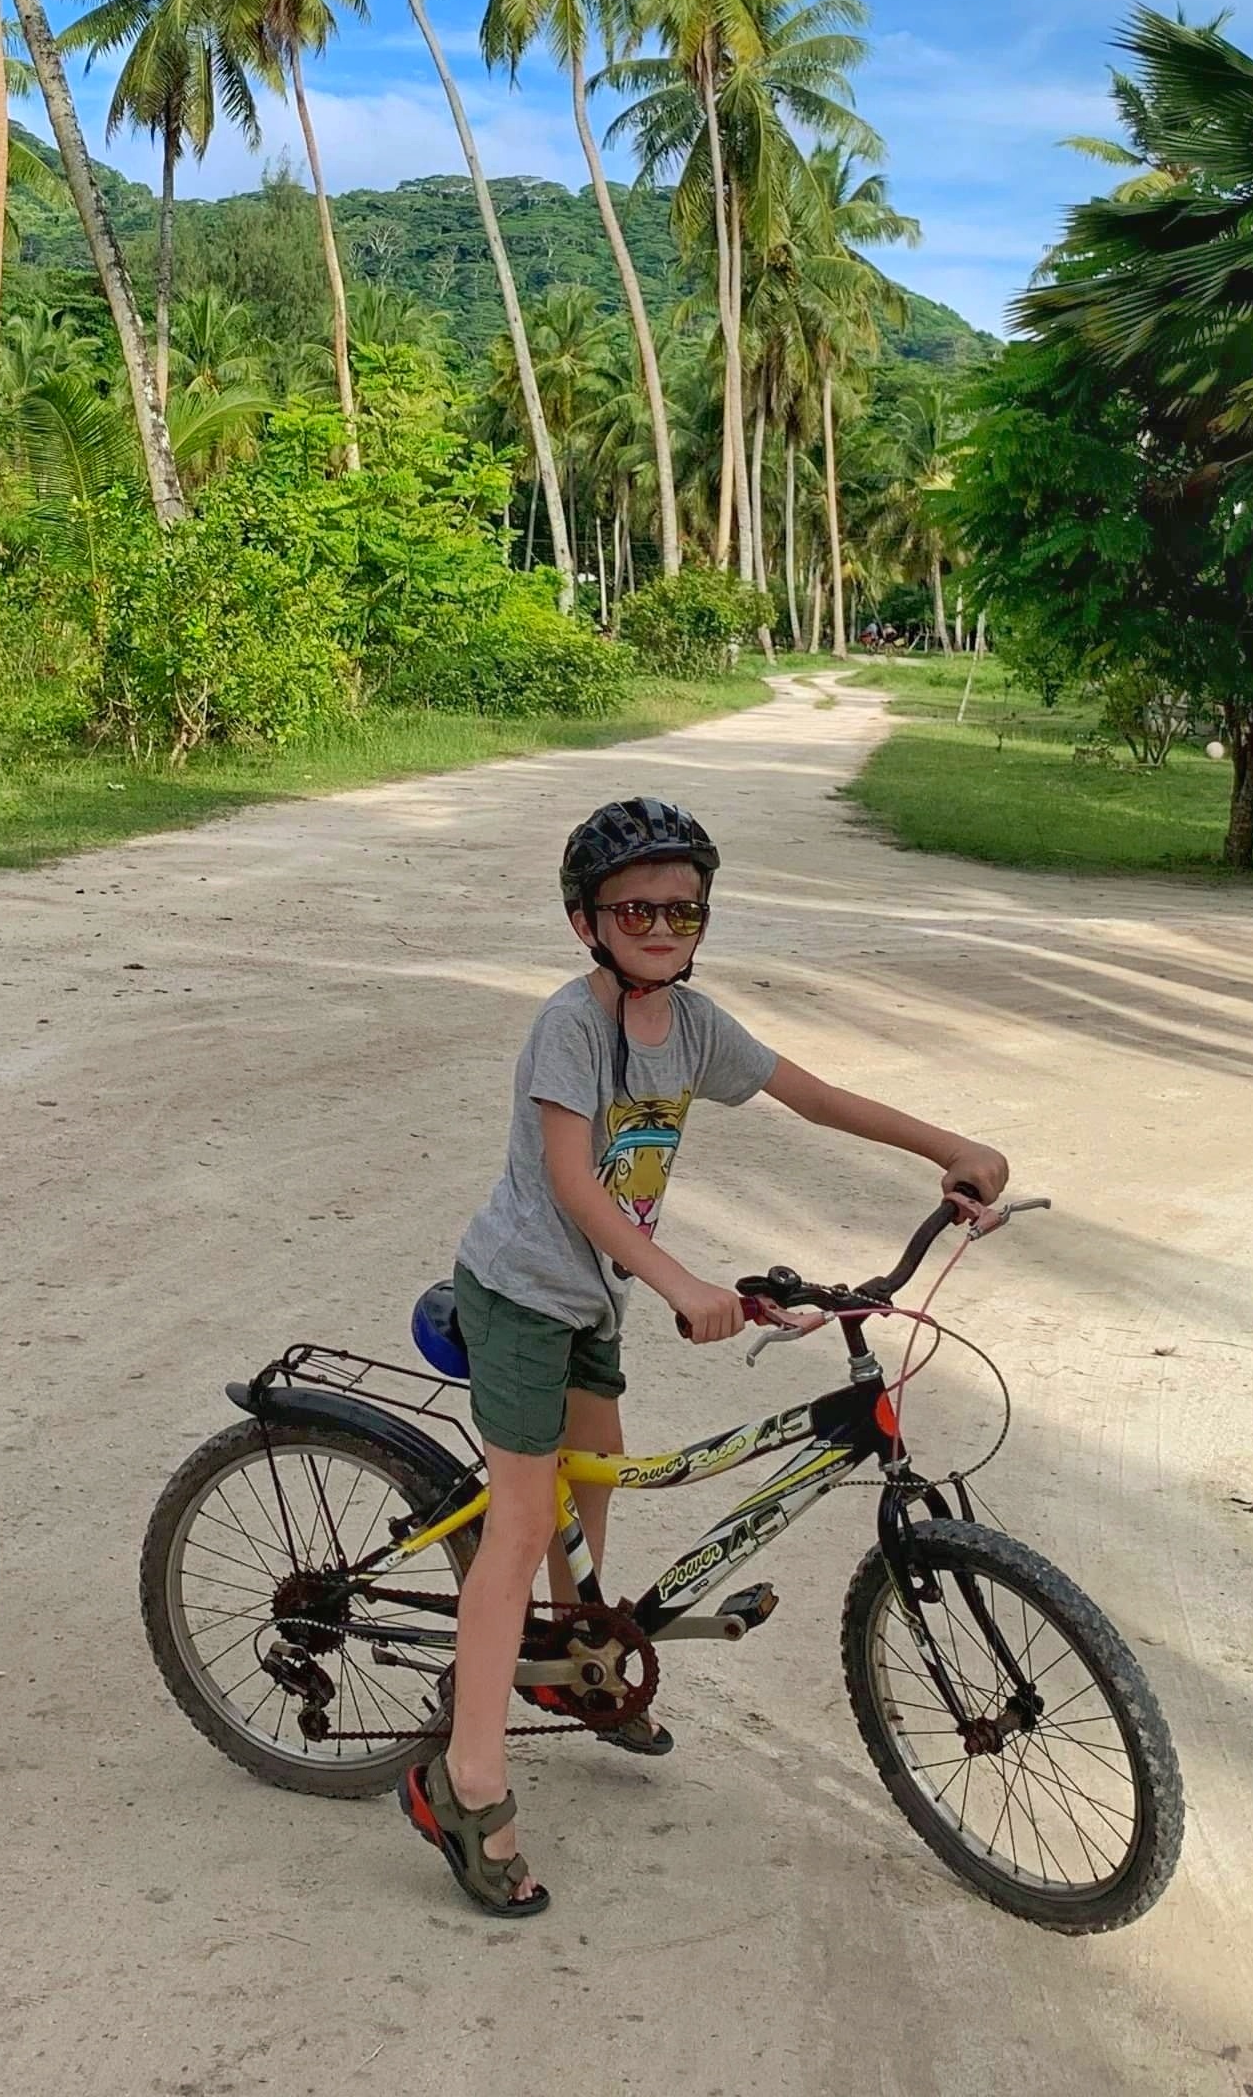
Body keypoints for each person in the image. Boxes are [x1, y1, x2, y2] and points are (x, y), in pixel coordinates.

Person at [403, 794, 1010, 1920]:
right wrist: (681, 1280)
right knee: (526, 1521)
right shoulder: (571, 1027)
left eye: (683, 908)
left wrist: (949, 1146)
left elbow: (810, 1094)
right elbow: (577, 1180)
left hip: (590, 1297)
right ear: (588, 921)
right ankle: (466, 1776)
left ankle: (578, 1655)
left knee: (604, 1469)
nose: (662, 924)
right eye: (635, 908)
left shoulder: (690, 1025)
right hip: (524, 1292)